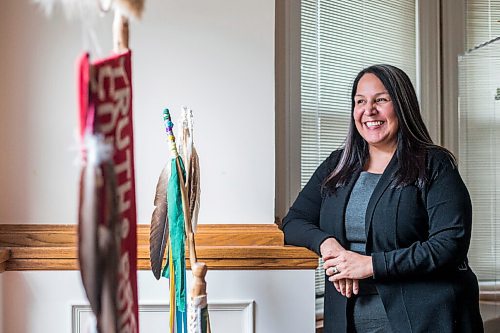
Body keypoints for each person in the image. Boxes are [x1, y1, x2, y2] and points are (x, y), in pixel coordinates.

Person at [281, 64, 484, 333]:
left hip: (425, 319)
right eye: (360, 101)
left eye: (381, 100)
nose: (369, 111)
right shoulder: (337, 166)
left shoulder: (434, 165)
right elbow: (294, 222)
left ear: (402, 105)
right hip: (347, 320)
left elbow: (450, 244)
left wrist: (371, 265)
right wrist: (329, 246)